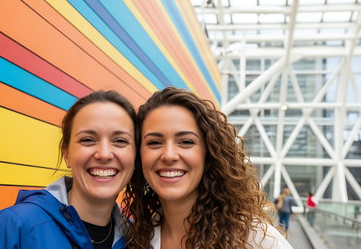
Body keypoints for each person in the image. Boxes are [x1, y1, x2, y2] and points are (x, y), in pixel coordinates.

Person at [122, 87, 292, 248]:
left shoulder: (255, 241)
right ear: (139, 155)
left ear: (209, 153)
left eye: (186, 142)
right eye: (154, 142)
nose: (169, 155)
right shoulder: (135, 240)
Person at [0, 90, 137, 249]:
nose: (104, 154)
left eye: (120, 141)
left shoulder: (138, 239)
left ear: (136, 157)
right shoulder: (14, 226)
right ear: (66, 153)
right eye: (87, 139)